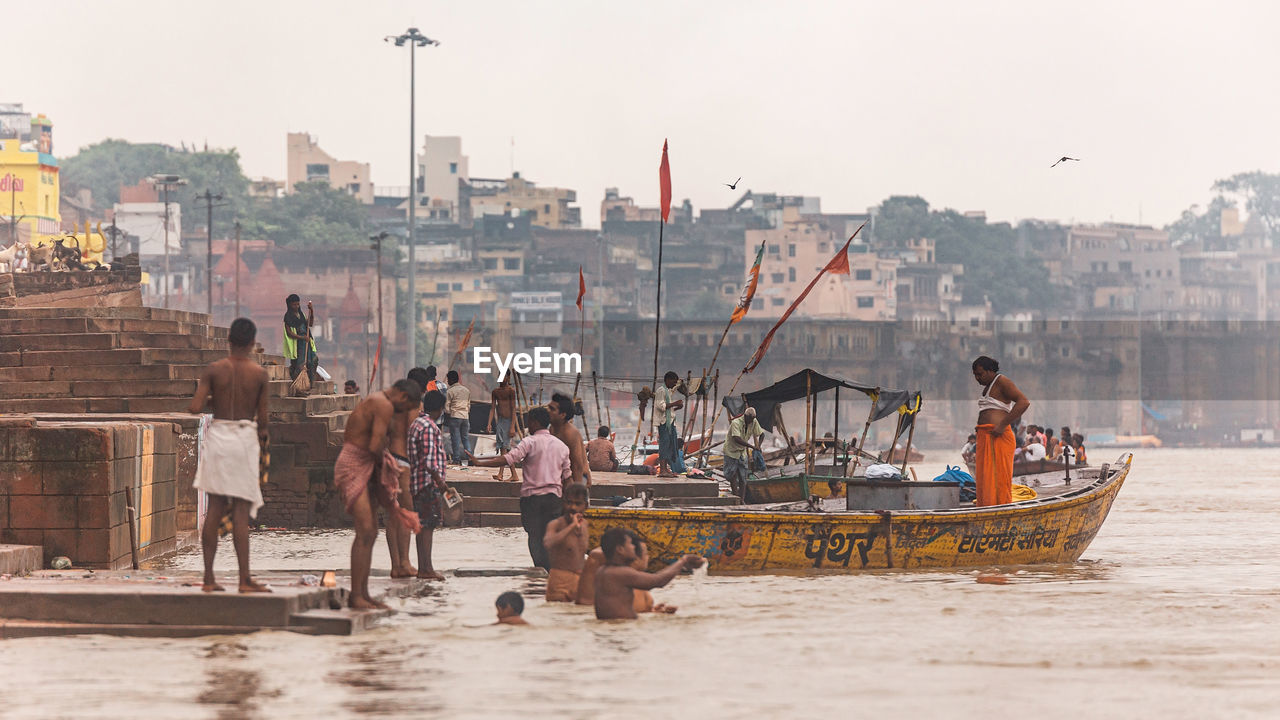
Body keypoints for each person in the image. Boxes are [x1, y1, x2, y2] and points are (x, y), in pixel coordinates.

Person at [189, 318, 271, 594]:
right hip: (245, 438)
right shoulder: (260, 375)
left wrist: (218, 397)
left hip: (220, 436)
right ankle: (244, 580)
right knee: (240, 511)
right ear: (251, 343)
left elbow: (195, 406)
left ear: (229, 341)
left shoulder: (214, 370)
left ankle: (209, 579)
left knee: (214, 508)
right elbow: (265, 418)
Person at [334, 379, 424, 609]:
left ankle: (363, 594)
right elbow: (375, 446)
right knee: (365, 530)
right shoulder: (383, 404)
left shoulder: (379, 400)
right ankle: (357, 596)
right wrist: (385, 472)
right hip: (355, 463)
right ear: (403, 397)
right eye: (404, 409)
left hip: (365, 462)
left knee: (371, 532)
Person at [467, 407, 570, 569]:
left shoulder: (529, 442)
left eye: (529, 422)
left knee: (534, 536)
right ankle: (550, 571)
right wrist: (568, 503)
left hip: (532, 499)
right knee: (551, 536)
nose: (528, 426)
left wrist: (481, 463)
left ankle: (539, 568)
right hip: (554, 499)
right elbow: (567, 478)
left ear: (535, 422)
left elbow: (508, 459)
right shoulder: (562, 446)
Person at [594, 528, 703, 620]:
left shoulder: (603, 571)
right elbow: (658, 581)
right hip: (621, 631)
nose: (634, 547)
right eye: (630, 544)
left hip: (618, 629)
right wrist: (683, 561)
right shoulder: (620, 573)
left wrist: (653, 612)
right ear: (620, 549)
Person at [972, 356, 1030, 507]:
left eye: (980, 374)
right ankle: (986, 507)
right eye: (975, 375)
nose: (977, 378)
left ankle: (1001, 508)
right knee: (984, 477)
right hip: (986, 437)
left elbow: (1024, 402)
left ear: (990, 371)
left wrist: (1002, 425)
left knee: (998, 478)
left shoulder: (1002, 381)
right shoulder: (988, 386)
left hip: (998, 436)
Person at [408, 389, 449, 581]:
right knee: (428, 526)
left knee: (422, 526)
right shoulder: (429, 427)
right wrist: (440, 483)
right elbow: (429, 459)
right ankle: (426, 569)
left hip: (418, 484)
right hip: (427, 484)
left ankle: (423, 567)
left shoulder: (417, 423)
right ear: (440, 409)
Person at [385, 373, 424, 579]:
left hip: (388, 459)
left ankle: (396, 565)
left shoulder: (386, 408)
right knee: (407, 514)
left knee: (393, 515)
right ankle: (405, 563)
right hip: (402, 461)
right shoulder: (412, 407)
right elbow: (413, 433)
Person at [543, 483, 589, 602]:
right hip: (559, 582)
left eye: (578, 504)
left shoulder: (585, 525)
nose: (572, 507)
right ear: (563, 503)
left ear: (586, 506)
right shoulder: (556, 524)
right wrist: (571, 527)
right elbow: (548, 543)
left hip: (580, 581)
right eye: (569, 502)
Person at [549, 392, 590, 486]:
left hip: (578, 477)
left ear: (562, 415)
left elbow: (577, 466)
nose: (548, 411)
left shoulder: (570, 434)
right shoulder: (552, 428)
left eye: (552, 409)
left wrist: (576, 491)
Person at [723, 406, 764, 498]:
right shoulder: (736, 423)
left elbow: (762, 434)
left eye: (753, 419)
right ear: (746, 416)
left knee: (743, 476)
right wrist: (751, 446)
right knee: (732, 474)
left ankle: (742, 498)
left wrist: (758, 446)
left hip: (742, 452)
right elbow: (736, 438)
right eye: (750, 419)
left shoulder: (753, 421)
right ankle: (735, 495)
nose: (752, 421)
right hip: (731, 451)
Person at [631, 536, 677, 614]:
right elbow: (635, 617)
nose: (648, 557)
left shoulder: (638, 580)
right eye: (645, 554)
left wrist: (655, 611)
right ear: (635, 559)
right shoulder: (632, 583)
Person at [654, 371, 684, 478]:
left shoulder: (668, 391)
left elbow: (669, 409)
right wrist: (675, 403)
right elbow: (661, 406)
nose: (674, 384)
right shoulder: (661, 391)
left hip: (670, 422)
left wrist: (677, 407)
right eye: (673, 382)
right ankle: (662, 470)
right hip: (663, 423)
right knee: (664, 445)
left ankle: (666, 469)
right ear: (668, 380)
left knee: (670, 444)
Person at [282, 294, 318, 382]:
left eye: (298, 304)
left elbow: (310, 324)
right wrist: (301, 337)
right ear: (290, 304)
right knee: (300, 365)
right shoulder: (287, 317)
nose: (296, 306)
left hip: (306, 342)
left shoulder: (301, 315)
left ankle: (309, 383)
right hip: (298, 344)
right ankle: (298, 386)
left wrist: (311, 310)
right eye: (294, 304)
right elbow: (289, 333)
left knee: (313, 360)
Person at [444, 370, 471, 464]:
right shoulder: (466, 390)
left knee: (455, 439)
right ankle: (470, 458)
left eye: (448, 379)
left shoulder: (450, 391)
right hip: (465, 416)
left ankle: (456, 459)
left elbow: (447, 408)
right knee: (465, 438)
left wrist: (449, 414)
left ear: (451, 379)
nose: (447, 381)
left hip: (455, 416)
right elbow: (468, 405)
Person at [488, 378, 517, 452]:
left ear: (507, 378)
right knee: (501, 445)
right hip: (500, 421)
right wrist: (489, 423)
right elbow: (492, 408)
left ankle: (507, 462)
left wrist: (512, 427)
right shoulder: (495, 391)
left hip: (509, 421)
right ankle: (504, 463)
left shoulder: (511, 391)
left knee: (506, 446)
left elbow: (513, 409)